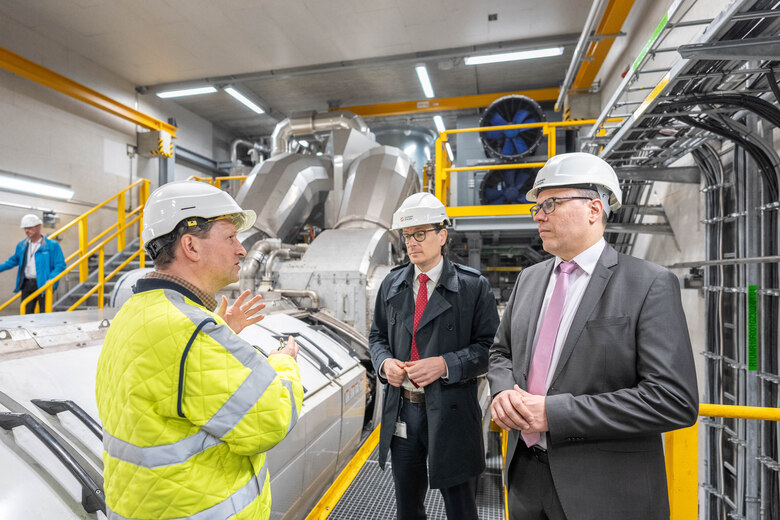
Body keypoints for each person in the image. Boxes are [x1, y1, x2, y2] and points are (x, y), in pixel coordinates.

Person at [488, 152, 699, 520]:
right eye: (537, 207)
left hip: (605, 491)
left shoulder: (649, 284)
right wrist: (503, 389)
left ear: (594, 209)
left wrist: (554, 413)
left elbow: (673, 400)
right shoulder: (529, 279)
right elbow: (500, 353)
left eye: (550, 203)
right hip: (525, 475)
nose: (539, 215)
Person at [96, 180, 303, 520]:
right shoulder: (189, 331)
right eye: (230, 237)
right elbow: (270, 420)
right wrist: (284, 364)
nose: (241, 250)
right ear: (191, 245)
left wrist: (219, 334)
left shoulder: (136, 313)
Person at [369, 192, 499, 520]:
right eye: (407, 235)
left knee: (460, 507)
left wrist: (446, 364)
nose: (412, 242)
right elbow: (377, 337)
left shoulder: (472, 287)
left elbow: (492, 350)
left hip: (452, 412)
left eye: (421, 234)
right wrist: (385, 365)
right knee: (407, 506)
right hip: (404, 411)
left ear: (442, 236)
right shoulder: (392, 285)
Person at [0, 214, 66, 314]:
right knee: (26, 313)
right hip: (26, 284)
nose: (27, 231)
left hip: (44, 284)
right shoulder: (22, 245)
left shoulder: (52, 245)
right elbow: (13, 260)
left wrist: (51, 279)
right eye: (25, 228)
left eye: (29, 228)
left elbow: (60, 265)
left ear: (38, 227)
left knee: (44, 314)